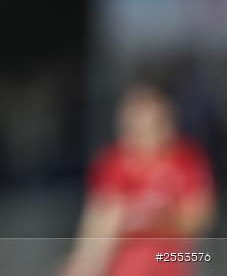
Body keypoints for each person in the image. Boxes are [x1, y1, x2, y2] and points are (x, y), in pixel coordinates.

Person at [60, 80, 215, 276]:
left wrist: (148, 218)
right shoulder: (112, 163)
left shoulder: (187, 160)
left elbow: (199, 217)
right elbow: (97, 220)